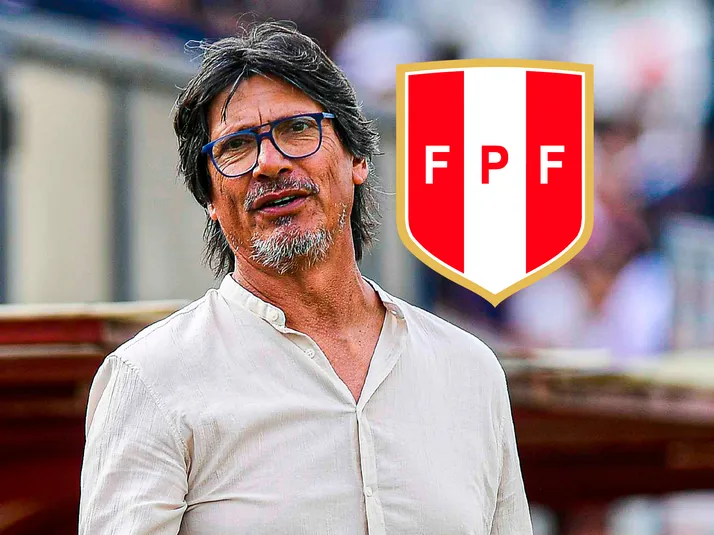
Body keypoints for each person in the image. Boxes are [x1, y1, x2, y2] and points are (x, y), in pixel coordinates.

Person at [79, 21, 532, 535]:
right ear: (210, 199)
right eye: (236, 146)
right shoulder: (153, 380)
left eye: (297, 129)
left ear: (357, 157)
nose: (269, 164)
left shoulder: (469, 372)